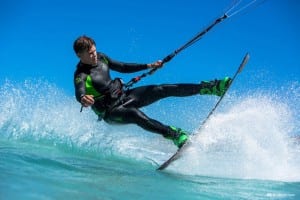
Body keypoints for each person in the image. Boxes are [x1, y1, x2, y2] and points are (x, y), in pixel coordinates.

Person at [73, 35, 231, 148]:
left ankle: (210, 88)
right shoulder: (81, 75)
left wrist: (149, 66)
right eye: (90, 53)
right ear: (80, 55)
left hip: (123, 97)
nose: (94, 55)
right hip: (111, 112)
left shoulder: (101, 57)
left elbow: (122, 66)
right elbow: (79, 92)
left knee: (160, 89)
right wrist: (83, 98)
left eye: (94, 50)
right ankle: (174, 135)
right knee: (135, 114)